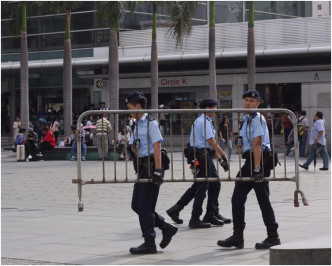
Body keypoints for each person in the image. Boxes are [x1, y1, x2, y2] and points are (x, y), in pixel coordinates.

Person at [217, 90, 280, 250]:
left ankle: (273, 236)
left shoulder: (258, 118)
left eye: (251, 101)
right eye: (245, 100)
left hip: (259, 161)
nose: (247, 103)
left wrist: (258, 168)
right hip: (249, 162)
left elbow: (258, 144)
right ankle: (238, 237)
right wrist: (239, 140)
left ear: (258, 103)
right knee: (237, 198)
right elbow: (243, 145)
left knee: (263, 200)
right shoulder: (246, 119)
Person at [125, 91, 177, 255]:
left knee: (145, 208)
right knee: (137, 205)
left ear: (138, 106)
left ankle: (149, 242)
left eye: (130, 107)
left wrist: (158, 171)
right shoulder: (134, 124)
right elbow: (134, 147)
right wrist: (131, 144)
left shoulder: (151, 123)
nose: (128, 111)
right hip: (141, 168)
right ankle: (164, 226)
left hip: (151, 167)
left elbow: (157, 147)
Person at [167, 99, 231, 228]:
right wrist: (223, 155)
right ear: (207, 108)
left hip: (203, 154)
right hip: (201, 155)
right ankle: (197, 217)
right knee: (203, 187)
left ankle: (180, 210)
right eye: (214, 107)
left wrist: (219, 159)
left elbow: (208, 144)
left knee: (204, 185)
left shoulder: (204, 121)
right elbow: (211, 142)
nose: (215, 110)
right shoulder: (203, 122)